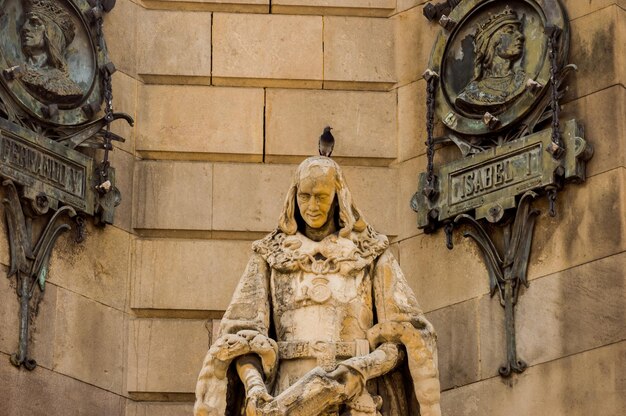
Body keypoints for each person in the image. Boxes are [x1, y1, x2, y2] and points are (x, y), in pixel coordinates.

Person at [194, 156, 441, 416]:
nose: (312, 206)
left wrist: (363, 369)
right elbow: (239, 338)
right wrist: (255, 388)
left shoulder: (370, 253)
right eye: (305, 196)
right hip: (286, 397)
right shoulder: (269, 255)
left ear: (338, 196)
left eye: (321, 197)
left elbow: (408, 337)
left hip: (357, 398)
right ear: (294, 195)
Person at [455, 7, 528, 115]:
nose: (520, 36)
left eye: (519, 31)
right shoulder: (469, 96)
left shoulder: (524, 81)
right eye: (510, 31)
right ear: (492, 42)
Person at [20, 0, 83, 103]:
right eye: (25, 22)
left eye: (34, 23)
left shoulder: (65, 86)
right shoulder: (20, 68)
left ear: (52, 33)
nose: (24, 28)